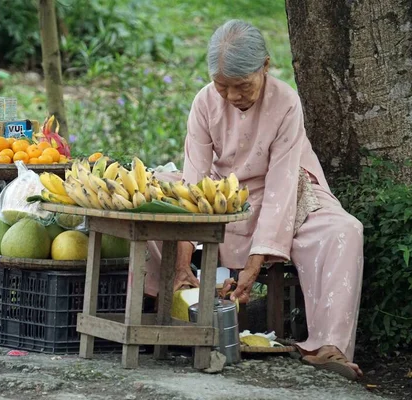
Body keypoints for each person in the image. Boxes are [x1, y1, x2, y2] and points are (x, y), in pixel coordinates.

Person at [145, 19, 364, 380]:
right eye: (222, 87)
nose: (232, 96)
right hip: (222, 196)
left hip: (287, 193)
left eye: (242, 86)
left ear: (264, 66)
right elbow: (194, 183)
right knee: (148, 201)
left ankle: (329, 346)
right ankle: (177, 292)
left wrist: (254, 262)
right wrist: (183, 260)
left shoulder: (287, 102)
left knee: (344, 230)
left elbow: (281, 185)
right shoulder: (204, 102)